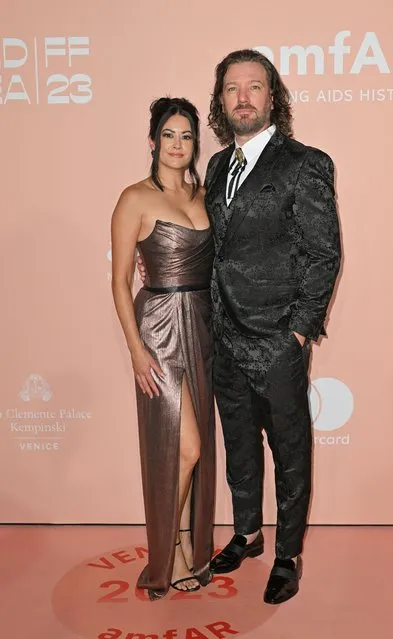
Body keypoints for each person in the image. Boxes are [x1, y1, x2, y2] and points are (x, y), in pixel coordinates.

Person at [138, 49, 341, 605]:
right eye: (232, 88)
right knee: (239, 448)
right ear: (221, 102)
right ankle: (247, 535)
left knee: (291, 451)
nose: (243, 97)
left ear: (273, 97)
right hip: (222, 337)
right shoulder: (218, 167)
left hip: (277, 338)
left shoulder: (306, 163)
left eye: (254, 86)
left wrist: (297, 333)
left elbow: (324, 255)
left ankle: (288, 554)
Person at [111, 97, 215, 601]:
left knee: (193, 451)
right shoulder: (134, 198)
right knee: (185, 447)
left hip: (202, 325)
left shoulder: (203, 193)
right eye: (169, 135)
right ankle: (167, 554)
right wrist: (136, 351)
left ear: (196, 143)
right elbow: (118, 281)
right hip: (158, 328)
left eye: (187, 136)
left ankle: (187, 546)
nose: (178, 144)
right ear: (153, 142)